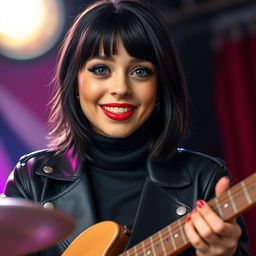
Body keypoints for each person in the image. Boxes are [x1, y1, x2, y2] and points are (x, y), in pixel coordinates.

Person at [4, 0, 249, 255]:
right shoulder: (32, 180)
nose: (120, 88)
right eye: (100, 69)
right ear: (74, 82)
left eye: (140, 72)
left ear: (160, 87)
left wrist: (225, 254)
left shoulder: (204, 179)